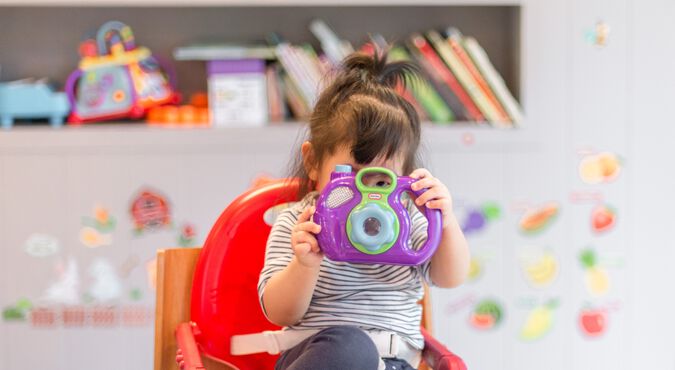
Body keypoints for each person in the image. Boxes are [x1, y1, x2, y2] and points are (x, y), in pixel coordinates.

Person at [257, 48, 470, 370]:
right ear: (313, 162)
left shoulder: (407, 220)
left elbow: (450, 277)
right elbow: (279, 312)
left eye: (381, 181)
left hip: (395, 361)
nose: (365, 196)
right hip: (321, 358)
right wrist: (305, 264)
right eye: (352, 176)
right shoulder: (299, 224)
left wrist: (446, 221)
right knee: (350, 346)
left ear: (404, 178)